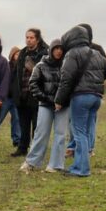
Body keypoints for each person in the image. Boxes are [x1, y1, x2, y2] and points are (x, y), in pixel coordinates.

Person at [54, 25, 106, 177]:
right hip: (96, 97)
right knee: (85, 133)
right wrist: (96, 81)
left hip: (81, 96)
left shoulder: (72, 54)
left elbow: (66, 79)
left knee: (79, 132)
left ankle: (81, 169)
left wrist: (59, 99)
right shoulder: (96, 53)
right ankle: (80, 165)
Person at [20, 40, 67, 173]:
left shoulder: (67, 66)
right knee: (41, 133)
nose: (59, 51)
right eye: (56, 48)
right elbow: (33, 84)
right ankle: (31, 162)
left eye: (61, 49)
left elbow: (69, 85)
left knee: (61, 134)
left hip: (63, 105)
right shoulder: (41, 65)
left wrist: (62, 100)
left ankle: (55, 165)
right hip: (45, 104)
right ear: (51, 49)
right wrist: (46, 98)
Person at [10, 29, 49, 157]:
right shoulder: (22, 53)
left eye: (31, 37)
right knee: (23, 124)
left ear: (37, 39)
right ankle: (22, 148)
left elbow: (48, 73)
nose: (28, 40)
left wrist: (33, 67)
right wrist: (15, 92)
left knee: (37, 124)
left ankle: (35, 150)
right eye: (27, 37)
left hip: (37, 94)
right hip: (23, 94)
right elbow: (16, 73)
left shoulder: (46, 52)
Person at [0, 46, 23, 150]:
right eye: (17, 54)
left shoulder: (22, 67)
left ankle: (17, 140)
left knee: (16, 119)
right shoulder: (6, 66)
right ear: (12, 55)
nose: (18, 56)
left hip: (16, 99)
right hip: (5, 98)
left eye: (20, 54)